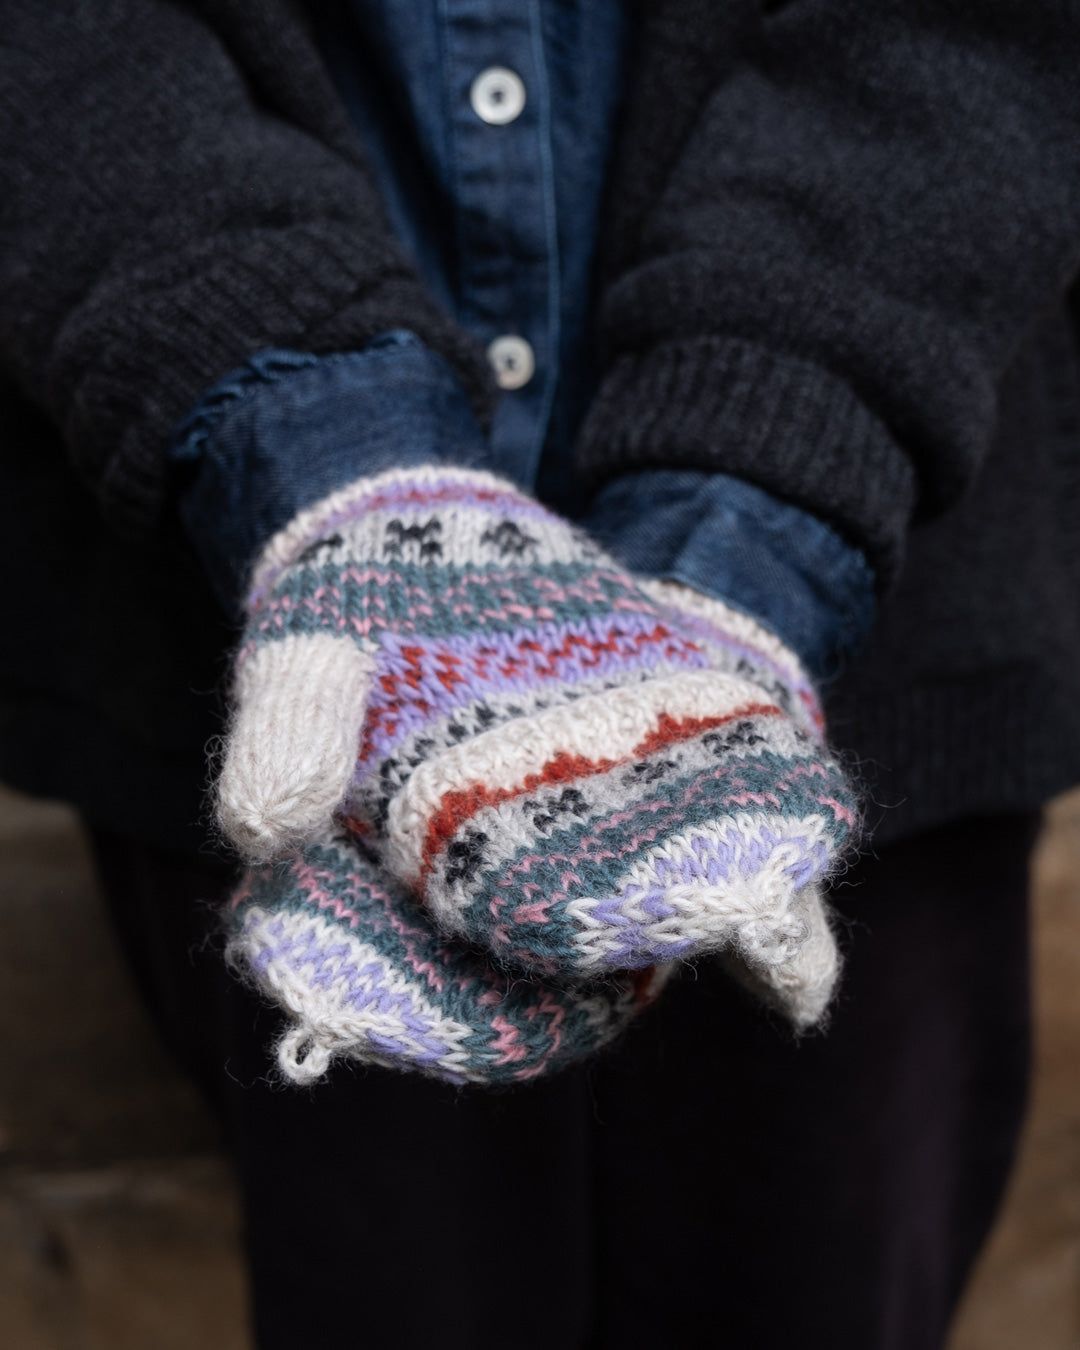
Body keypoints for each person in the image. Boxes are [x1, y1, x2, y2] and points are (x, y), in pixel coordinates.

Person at [2, 0, 1079, 1345]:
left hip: (884, 604)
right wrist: (310, 442)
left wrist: (765, 503)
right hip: (281, 656)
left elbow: (972, 46)